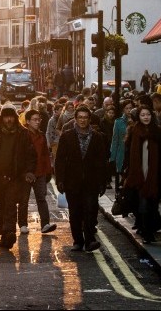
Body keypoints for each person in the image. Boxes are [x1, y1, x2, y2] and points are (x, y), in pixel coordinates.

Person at [0, 104, 36, 250]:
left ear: (15, 118)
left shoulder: (23, 133)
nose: (9, 120)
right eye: (6, 117)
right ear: (2, 118)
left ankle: (9, 232)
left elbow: (31, 154)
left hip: (15, 176)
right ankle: (3, 232)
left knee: (10, 205)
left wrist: (30, 171)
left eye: (11, 117)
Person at [55, 104, 108, 252]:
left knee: (91, 210)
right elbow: (60, 160)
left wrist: (103, 182)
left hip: (91, 182)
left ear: (89, 119)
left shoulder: (97, 137)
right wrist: (60, 180)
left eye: (85, 117)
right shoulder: (67, 136)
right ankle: (78, 241)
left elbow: (102, 161)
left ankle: (90, 240)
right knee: (75, 212)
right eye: (80, 117)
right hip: (72, 181)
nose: (83, 120)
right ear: (75, 119)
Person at [122, 105, 161, 243]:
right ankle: (146, 232)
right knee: (143, 203)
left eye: (148, 114)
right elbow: (128, 154)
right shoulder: (134, 131)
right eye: (143, 115)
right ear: (139, 117)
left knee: (152, 203)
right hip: (138, 174)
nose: (146, 117)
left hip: (154, 174)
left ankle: (148, 229)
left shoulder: (157, 132)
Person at [20, 109, 57, 235]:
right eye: (35, 120)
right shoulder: (22, 135)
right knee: (23, 200)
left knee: (41, 198)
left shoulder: (41, 135)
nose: (37, 122)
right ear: (28, 121)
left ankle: (45, 224)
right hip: (26, 174)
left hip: (40, 172)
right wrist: (24, 172)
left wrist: (48, 171)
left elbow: (45, 155)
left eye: (39, 119)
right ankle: (23, 225)